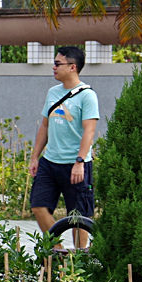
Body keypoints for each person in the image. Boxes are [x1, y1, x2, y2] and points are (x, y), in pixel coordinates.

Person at [28, 45, 100, 251]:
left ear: (72, 67)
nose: (53, 67)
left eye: (58, 63)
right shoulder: (53, 93)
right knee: (38, 206)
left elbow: (89, 131)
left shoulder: (87, 96)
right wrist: (35, 157)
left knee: (78, 217)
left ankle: (79, 259)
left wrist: (79, 162)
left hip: (76, 165)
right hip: (50, 162)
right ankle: (58, 252)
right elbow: (45, 126)